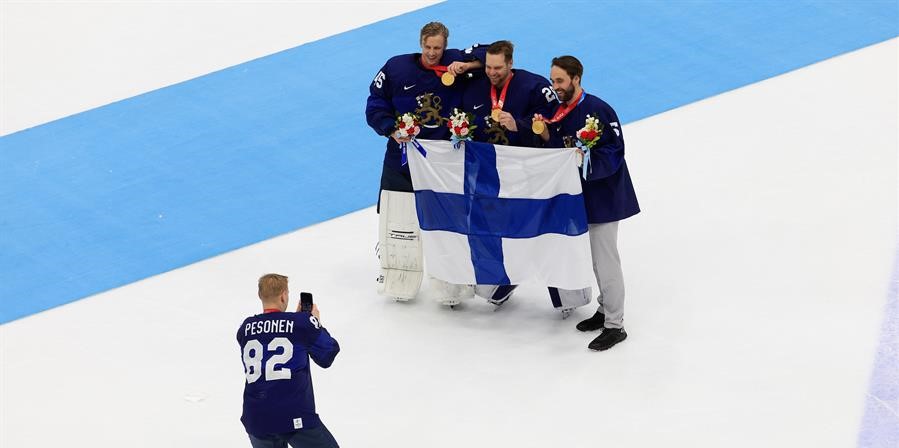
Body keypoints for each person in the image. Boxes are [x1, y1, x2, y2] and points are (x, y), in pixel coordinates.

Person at [365, 22, 484, 305]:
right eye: (428, 47)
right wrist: (390, 129)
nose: (432, 53)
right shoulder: (396, 68)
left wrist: (464, 67)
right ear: (420, 43)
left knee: (449, 222)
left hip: (444, 163)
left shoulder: (456, 61)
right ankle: (397, 272)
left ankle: (451, 283)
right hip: (402, 160)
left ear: (445, 46)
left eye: (438, 48)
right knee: (399, 218)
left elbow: (493, 54)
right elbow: (375, 103)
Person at [533, 56, 640, 351]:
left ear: (576, 78)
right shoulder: (558, 111)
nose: (555, 87)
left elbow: (615, 152)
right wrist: (544, 136)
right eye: (552, 80)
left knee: (606, 261)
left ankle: (615, 325)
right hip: (579, 199)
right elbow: (558, 152)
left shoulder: (599, 110)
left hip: (604, 198)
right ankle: (605, 310)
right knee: (595, 259)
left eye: (560, 81)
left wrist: (584, 163)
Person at [459, 40, 558, 306]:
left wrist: (520, 125)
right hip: (489, 173)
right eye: (488, 67)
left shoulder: (535, 87)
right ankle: (498, 280)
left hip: (526, 173)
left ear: (511, 63)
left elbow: (555, 126)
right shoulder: (475, 85)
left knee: (536, 231)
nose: (492, 72)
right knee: (483, 226)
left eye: (498, 68)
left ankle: (562, 292)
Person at [237, 274, 341, 447]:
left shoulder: (245, 329)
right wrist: (314, 323)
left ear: (260, 295)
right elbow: (327, 355)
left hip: (256, 417)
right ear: (284, 295)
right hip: (292, 413)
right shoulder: (302, 323)